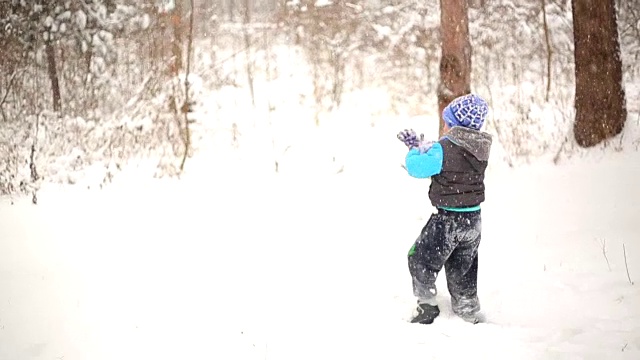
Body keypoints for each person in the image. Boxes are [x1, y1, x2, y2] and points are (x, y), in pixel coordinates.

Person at [397, 93, 493, 324]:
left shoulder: (443, 148)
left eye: (448, 119)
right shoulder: (481, 147)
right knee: (464, 266)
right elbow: (456, 164)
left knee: (420, 258)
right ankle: (467, 308)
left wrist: (413, 150)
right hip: (473, 220)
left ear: (454, 123)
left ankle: (427, 306)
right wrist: (431, 150)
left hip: (447, 220)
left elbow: (417, 168)